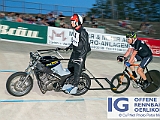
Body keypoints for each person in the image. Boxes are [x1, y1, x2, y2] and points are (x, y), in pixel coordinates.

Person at [61, 14, 91, 94]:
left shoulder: (83, 32)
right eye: (71, 21)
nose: (71, 23)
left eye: (73, 22)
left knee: (77, 71)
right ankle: (70, 81)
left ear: (78, 22)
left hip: (80, 54)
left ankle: (74, 87)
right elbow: (75, 41)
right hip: (75, 52)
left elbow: (86, 47)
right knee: (70, 67)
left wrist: (81, 57)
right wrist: (69, 46)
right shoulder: (76, 30)